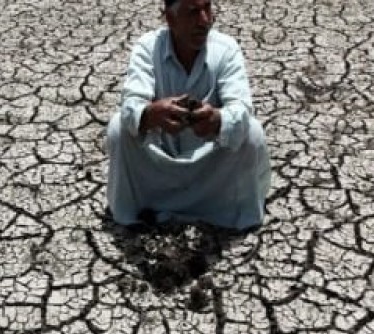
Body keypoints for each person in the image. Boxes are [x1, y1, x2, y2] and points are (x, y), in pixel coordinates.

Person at [106, 0, 271, 231]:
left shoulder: (226, 49)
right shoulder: (147, 48)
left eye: (207, 9)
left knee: (252, 132)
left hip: (210, 165)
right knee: (118, 127)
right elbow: (131, 105)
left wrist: (217, 120)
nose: (204, 21)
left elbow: (241, 109)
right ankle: (134, 212)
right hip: (161, 162)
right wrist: (151, 114)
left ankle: (230, 211)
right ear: (170, 19)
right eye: (193, 12)